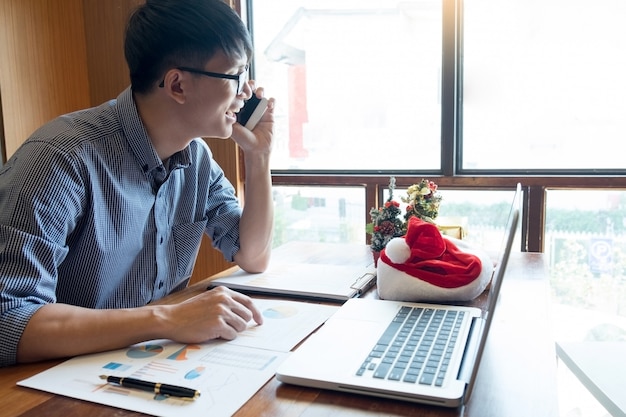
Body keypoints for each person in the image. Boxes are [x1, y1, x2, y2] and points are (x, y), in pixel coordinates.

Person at [0, 0, 275, 367]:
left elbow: (253, 255)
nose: (248, 91)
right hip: (60, 381)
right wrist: (169, 319)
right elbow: (7, 319)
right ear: (177, 84)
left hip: (149, 364)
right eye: (236, 75)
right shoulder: (61, 158)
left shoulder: (197, 159)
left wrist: (259, 158)